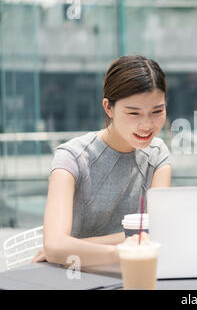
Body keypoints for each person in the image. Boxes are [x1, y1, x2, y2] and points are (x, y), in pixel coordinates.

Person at [32, 55, 171, 267]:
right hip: (73, 276)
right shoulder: (71, 158)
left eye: (157, 111)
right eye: (133, 113)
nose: (147, 124)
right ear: (108, 108)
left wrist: (75, 245)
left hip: (132, 274)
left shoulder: (157, 156)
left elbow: (156, 231)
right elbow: (55, 246)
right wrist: (125, 252)